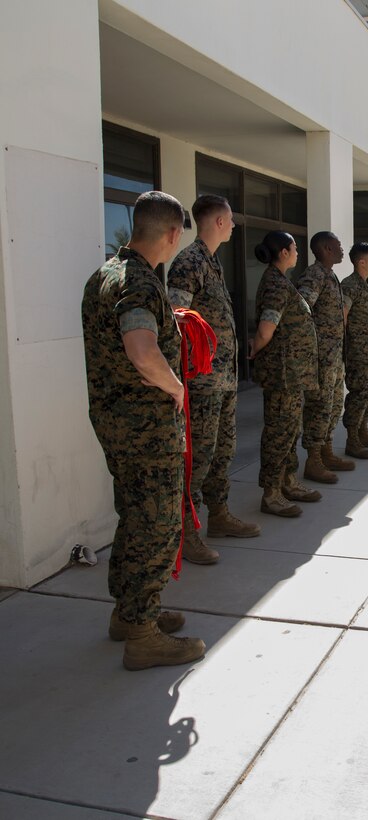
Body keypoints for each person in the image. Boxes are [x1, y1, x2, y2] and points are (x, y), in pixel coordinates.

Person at [81, 190, 206, 671]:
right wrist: (175, 387)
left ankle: (129, 614)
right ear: (173, 235)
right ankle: (143, 635)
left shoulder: (106, 275)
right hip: (146, 430)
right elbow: (140, 348)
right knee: (156, 524)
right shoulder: (138, 282)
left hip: (118, 425)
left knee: (134, 516)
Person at [167, 195, 260, 565]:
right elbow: (176, 320)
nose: (235, 226)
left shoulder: (211, 262)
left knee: (221, 453)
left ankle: (219, 517)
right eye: (231, 220)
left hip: (222, 382)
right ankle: (187, 535)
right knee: (198, 461)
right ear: (219, 222)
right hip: (202, 384)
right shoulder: (189, 262)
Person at [250, 231, 321, 517]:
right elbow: (267, 328)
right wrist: (256, 347)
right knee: (279, 433)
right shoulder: (276, 285)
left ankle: (288, 482)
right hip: (283, 374)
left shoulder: (280, 281)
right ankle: (271, 494)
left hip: (292, 374)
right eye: (294, 248)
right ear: (282, 252)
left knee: (290, 431)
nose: (297, 253)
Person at [292, 231, 354, 483]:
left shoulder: (330, 275)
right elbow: (301, 310)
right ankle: (314, 460)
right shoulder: (314, 275)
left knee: (334, 404)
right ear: (327, 248)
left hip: (334, 355)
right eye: (338, 246)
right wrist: (312, 348)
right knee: (319, 406)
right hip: (321, 357)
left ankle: (326, 451)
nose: (342, 250)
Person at [341, 242, 368, 458]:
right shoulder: (350, 285)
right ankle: (352, 439)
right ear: (361, 262)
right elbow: (343, 317)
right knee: (359, 394)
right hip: (358, 352)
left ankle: (363, 430)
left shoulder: (367, 285)